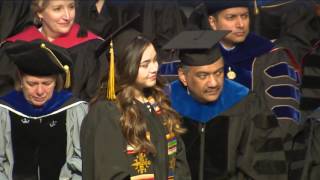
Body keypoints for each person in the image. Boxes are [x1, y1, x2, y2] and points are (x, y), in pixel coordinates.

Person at [163, 30, 288, 180]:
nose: (214, 83)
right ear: (183, 76)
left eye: (218, 73)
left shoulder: (246, 103)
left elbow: (266, 166)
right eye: (203, 75)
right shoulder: (166, 105)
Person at [81, 28, 191, 179]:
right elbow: (110, 173)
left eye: (154, 60)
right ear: (126, 66)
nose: (154, 68)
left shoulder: (157, 103)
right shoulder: (107, 112)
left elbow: (178, 160)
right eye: (145, 64)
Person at [204, 1, 302, 125]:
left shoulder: (270, 55)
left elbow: (285, 116)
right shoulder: (196, 54)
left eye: (245, 16)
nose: (240, 24)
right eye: (231, 17)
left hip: (258, 140)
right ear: (213, 22)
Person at [0, 40, 87, 180]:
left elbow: (81, 158)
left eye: (47, 83)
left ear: (56, 81)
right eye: (32, 84)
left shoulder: (74, 109)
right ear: (20, 79)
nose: (40, 91)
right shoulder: (4, 110)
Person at [0, 0, 105, 101]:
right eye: (57, 9)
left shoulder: (92, 48)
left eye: (71, 7)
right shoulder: (15, 47)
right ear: (40, 12)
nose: (67, 16)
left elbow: (94, 97)